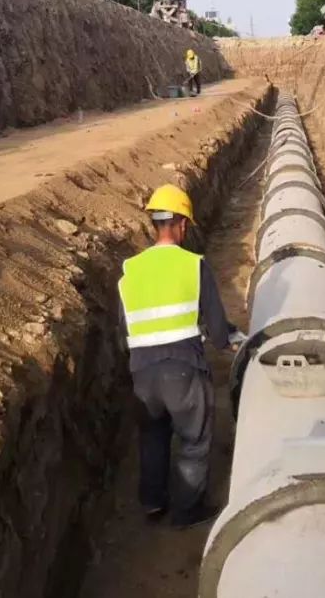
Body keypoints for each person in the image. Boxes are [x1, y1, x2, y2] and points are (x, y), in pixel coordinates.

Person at [117, 185, 243, 529]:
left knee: (153, 437)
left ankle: (153, 503)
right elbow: (217, 328)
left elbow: (124, 327)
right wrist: (229, 338)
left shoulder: (130, 270)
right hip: (184, 371)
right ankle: (187, 510)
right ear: (183, 225)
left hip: (142, 374)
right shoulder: (193, 265)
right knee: (194, 440)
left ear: (154, 224)